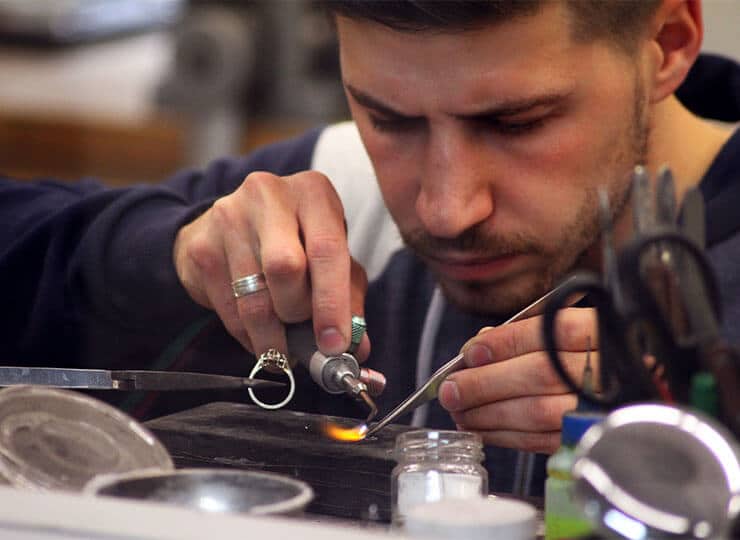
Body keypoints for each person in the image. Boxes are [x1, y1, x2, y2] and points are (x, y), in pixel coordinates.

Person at [1, 0, 739, 496]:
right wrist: (165, 253)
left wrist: (702, 438)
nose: (446, 211)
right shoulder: (342, 192)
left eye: (518, 123)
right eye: (389, 119)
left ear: (667, 45)